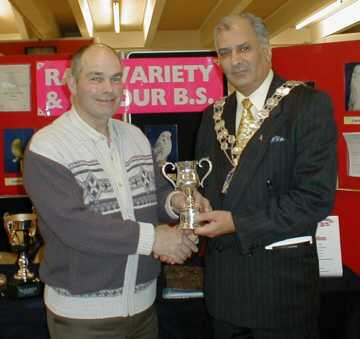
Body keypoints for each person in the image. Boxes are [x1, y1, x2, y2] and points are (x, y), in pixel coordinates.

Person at [23, 43, 205, 339]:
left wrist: (177, 202)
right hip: (83, 318)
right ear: (71, 82)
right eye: (96, 78)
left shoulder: (135, 137)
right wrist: (155, 239)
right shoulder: (48, 147)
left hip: (144, 309)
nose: (109, 89)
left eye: (116, 78)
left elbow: (156, 194)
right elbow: (75, 225)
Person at [194, 13, 337, 339]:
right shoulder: (211, 115)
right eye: (225, 52)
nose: (235, 61)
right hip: (224, 292)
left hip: (280, 293)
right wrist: (195, 204)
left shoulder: (306, 106)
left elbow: (315, 199)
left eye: (244, 49)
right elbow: (207, 184)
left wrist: (238, 223)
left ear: (266, 49)